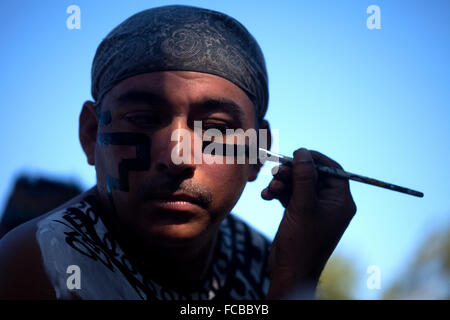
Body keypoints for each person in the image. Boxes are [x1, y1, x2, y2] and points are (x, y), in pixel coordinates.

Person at [0, 5, 356, 300]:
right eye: (143, 119)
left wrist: (295, 276)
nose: (177, 158)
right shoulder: (44, 264)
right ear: (92, 134)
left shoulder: (263, 261)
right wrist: (293, 283)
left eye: (215, 129)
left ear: (257, 152)